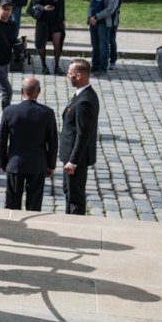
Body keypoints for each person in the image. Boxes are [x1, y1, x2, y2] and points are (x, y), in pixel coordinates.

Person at [0, 76, 58, 211]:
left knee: (12, 202)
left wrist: (2, 162)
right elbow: (52, 142)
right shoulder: (47, 113)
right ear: (39, 91)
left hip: (15, 163)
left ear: (21, 91)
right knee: (34, 203)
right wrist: (51, 164)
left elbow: (2, 140)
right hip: (38, 164)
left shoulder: (9, 111)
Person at [58, 59, 100, 215]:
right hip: (70, 156)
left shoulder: (85, 102)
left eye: (70, 73)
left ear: (79, 75)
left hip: (75, 159)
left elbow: (83, 135)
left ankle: (76, 226)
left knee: (75, 196)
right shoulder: (81, 95)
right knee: (68, 191)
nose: (68, 76)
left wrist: (73, 161)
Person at [33, 0, 67, 76]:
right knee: (41, 44)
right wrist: (44, 8)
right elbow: (36, 3)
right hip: (44, 20)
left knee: (57, 44)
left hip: (56, 21)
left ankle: (56, 66)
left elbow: (62, 6)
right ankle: (44, 65)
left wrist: (63, 20)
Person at [88, 0, 120, 73]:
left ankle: (102, 67)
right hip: (93, 21)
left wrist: (96, 17)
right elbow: (91, 4)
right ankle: (95, 65)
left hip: (104, 22)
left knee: (103, 45)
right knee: (95, 44)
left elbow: (110, 9)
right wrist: (90, 17)